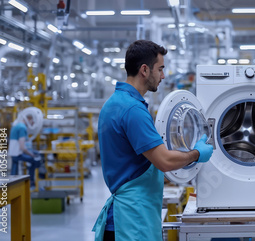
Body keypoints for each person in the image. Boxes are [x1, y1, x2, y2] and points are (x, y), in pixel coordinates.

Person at [92, 40, 214, 241]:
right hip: (132, 221)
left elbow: (132, 161)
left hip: (127, 214)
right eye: (161, 69)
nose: (163, 76)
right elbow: (163, 160)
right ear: (144, 70)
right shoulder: (133, 110)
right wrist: (197, 154)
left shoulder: (113, 104)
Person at [9, 108, 42, 187]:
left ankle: (13, 182)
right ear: (29, 120)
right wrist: (31, 155)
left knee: (15, 168)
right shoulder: (22, 128)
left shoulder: (17, 125)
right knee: (34, 160)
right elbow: (23, 147)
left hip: (14, 153)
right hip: (17, 154)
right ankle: (31, 181)